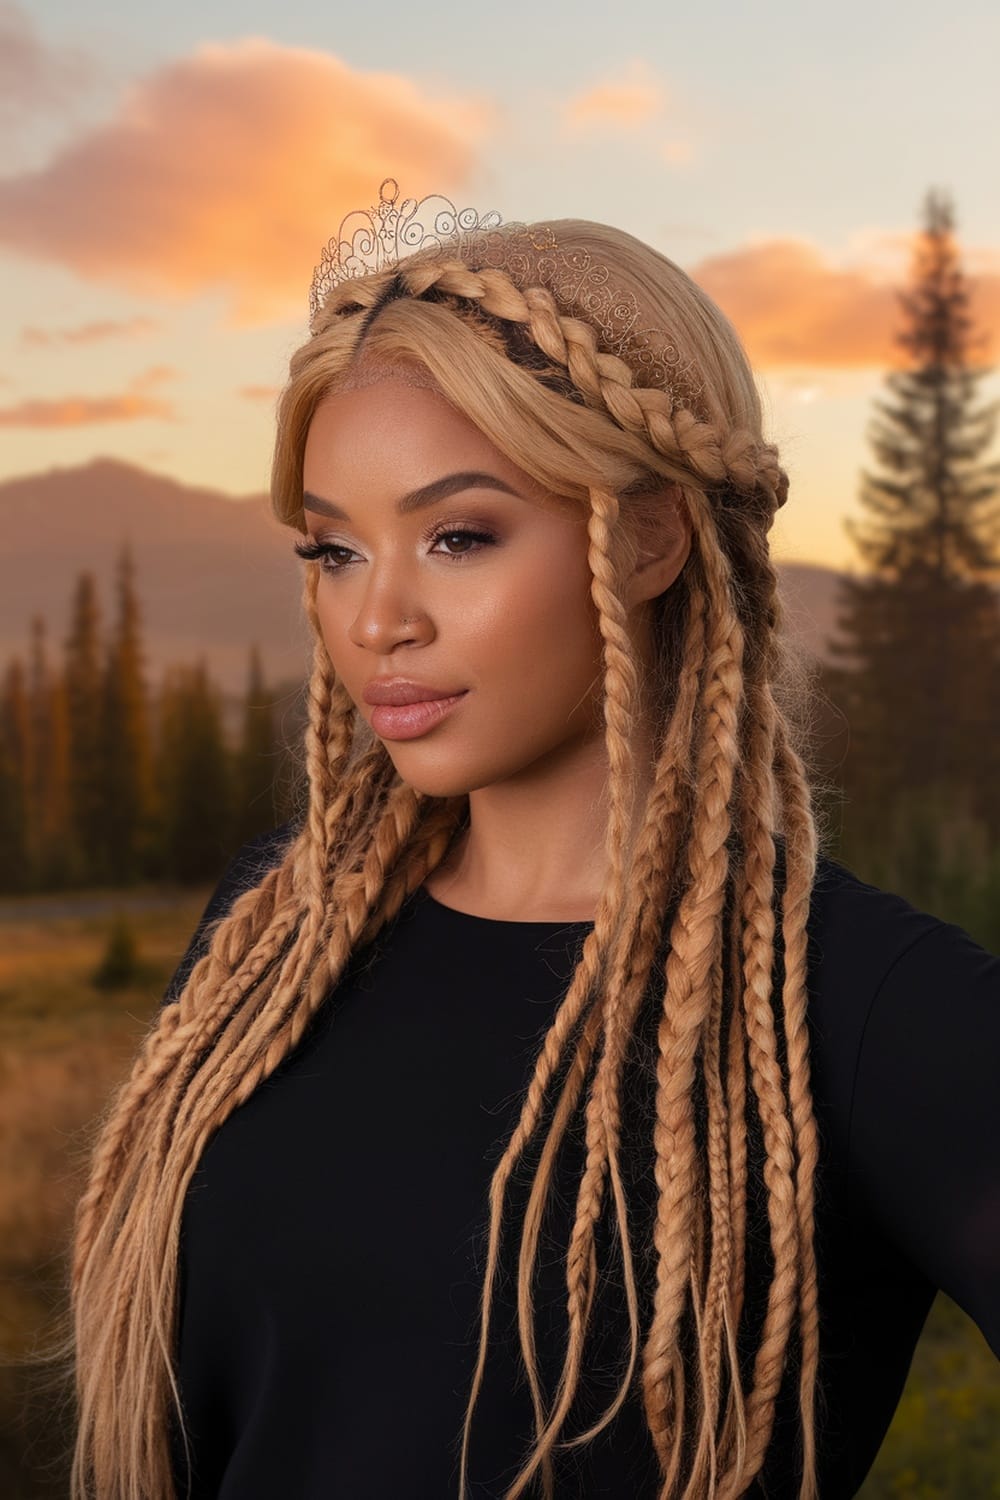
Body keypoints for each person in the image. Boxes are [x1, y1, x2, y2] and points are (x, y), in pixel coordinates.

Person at [65, 182, 998, 1500]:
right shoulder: (276, 929)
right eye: (334, 552)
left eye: (459, 536)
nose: (377, 619)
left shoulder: (864, 1010)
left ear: (654, 537)